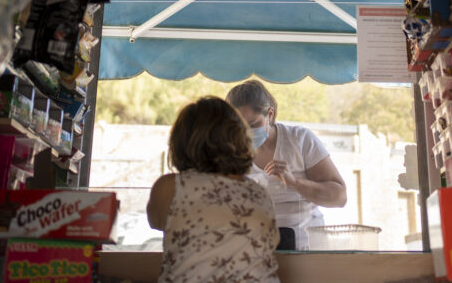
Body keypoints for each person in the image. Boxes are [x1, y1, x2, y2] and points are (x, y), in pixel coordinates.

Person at [146, 96, 280, 283]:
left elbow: (156, 222)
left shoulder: (169, 188)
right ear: (240, 139)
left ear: (181, 141)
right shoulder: (259, 193)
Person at [226, 80, 347, 250]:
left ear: (270, 114)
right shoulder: (229, 151)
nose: (246, 133)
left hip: (305, 248)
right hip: (256, 250)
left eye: (253, 125)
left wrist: (295, 183)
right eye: (239, 126)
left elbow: (340, 198)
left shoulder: (299, 140)